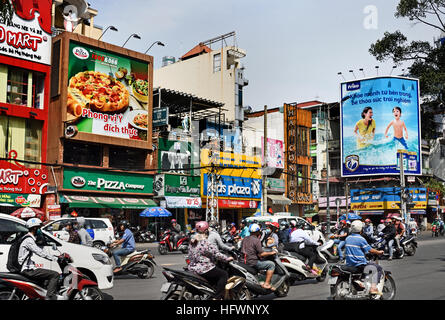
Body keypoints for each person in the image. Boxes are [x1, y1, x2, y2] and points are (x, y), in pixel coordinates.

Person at [187, 221, 233, 300]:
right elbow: (216, 254)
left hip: (192, 267)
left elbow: (190, 255)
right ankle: (217, 298)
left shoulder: (192, 241)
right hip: (204, 268)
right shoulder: (205, 242)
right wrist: (227, 258)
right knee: (223, 274)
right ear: (206, 231)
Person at [18, 218, 60, 300]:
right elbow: (40, 252)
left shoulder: (27, 238)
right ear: (34, 228)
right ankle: (49, 297)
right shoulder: (29, 240)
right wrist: (55, 258)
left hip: (29, 268)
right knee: (55, 275)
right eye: (39, 228)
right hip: (28, 270)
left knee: (46, 277)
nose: (40, 230)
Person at [344, 220, 384, 295]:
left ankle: (361, 281)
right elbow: (370, 250)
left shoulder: (348, 238)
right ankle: (373, 288)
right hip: (359, 264)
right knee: (378, 268)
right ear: (361, 229)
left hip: (349, 263)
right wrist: (379, 252)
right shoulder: (361, 239)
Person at [241, 223, 277, 290]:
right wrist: (271, 253)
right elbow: (261, 254)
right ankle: (266, 283)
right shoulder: (257, 240)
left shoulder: (245, 239)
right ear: (258, 231)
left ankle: (260, 280)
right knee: (271, 264)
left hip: (243, 261)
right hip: (252, 262)